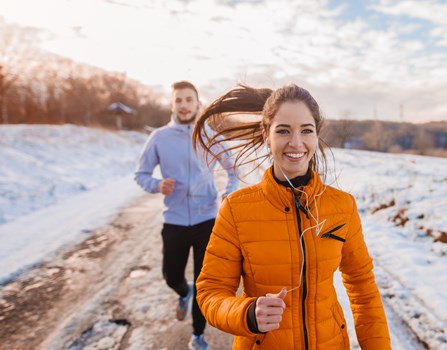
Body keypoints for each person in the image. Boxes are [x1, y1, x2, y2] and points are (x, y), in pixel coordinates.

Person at [192, 84, 391, 349]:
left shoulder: (342, 206)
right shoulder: (236, 210)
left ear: (316, 135)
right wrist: (248, 314)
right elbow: (210, 292)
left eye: (306, 130)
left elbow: (363, 288)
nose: (295, 143)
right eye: (283, 130)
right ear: (266, 135)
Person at [134, 80, 239, 350]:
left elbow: (233, 169)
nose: (183, 105)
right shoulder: (159, 138)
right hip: (175, 220)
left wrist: (229, 194)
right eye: (178, 100)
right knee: (171, 275)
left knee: (204, 283)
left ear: (197, 103)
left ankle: (198, 335)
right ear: (172, 104)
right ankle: (183, 292)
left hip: (207, 220)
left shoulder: (210, 136)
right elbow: (141, 174)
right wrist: (157, 185)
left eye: (188, 99)